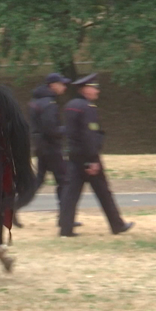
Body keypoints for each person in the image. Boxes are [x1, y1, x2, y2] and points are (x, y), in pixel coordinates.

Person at [58, 73, 134, 237]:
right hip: (88, 157)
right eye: (94, 88)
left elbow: (70, 132)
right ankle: (117, 225)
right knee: (104, 193)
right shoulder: (88, 108)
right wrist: (92, 160)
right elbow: (89, 135)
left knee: (70, 194)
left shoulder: (70, 105)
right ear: (85, 90)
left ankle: (65, 228)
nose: (97, 91)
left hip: (73, 156)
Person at [28, 73, 81, 227]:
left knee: (38, 180)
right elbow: (51, 129)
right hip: (51, 148)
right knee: (65, 181)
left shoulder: (36, 101)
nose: (64, 87)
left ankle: (12, 207)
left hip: (41, 147)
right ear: (53, 85)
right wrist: (69, 129)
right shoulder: (49, 104)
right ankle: (65, 218)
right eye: (62, 84)